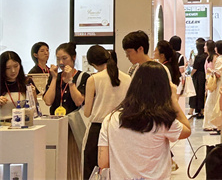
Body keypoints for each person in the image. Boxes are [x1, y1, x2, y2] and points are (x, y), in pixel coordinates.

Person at [97, 62, 191, 179]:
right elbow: (187, 131)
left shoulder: (111, 119)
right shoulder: (162, 119)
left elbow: (103, 162)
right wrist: (174, 100)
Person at [83, 46, 131, 180]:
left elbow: (87, 112)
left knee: (93, 169)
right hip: (121, 128)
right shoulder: (127, 78)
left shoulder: (93, 79)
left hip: (98, 129)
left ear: (93, 64)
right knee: (120, 167)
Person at [43, 42, 90, 180]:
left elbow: (79, 101)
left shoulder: (83, 77)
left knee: (73, 164)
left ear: (73, 57)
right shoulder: (55, 77)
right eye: (58, 59)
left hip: (73, 127)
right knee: (55, 163)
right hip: (55, 126)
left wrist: (70, 81)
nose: (61, 63)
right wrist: (54, 78)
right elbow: (48, 101)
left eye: (65, 58)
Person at [1, 51, 35, 120]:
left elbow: (34, 107)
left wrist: (33, 95)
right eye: (8, 68)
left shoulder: (27, 82)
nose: (13, 71)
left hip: (24, 122)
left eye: (16, 66)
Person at [203, 40, 222, 133]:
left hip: (218, 84)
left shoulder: (220, 59)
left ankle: (211, 124)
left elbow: (218, 73)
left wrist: (211, 71)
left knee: (211, 103)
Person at [189, 38, 207, 118]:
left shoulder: (198, 57)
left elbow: (194, 68)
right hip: (204, 76)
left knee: (195, 93)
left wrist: (190, 75)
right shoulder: (206, 56)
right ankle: (201, 111)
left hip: (197, 76)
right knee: (201, 93)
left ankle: (191, 111)